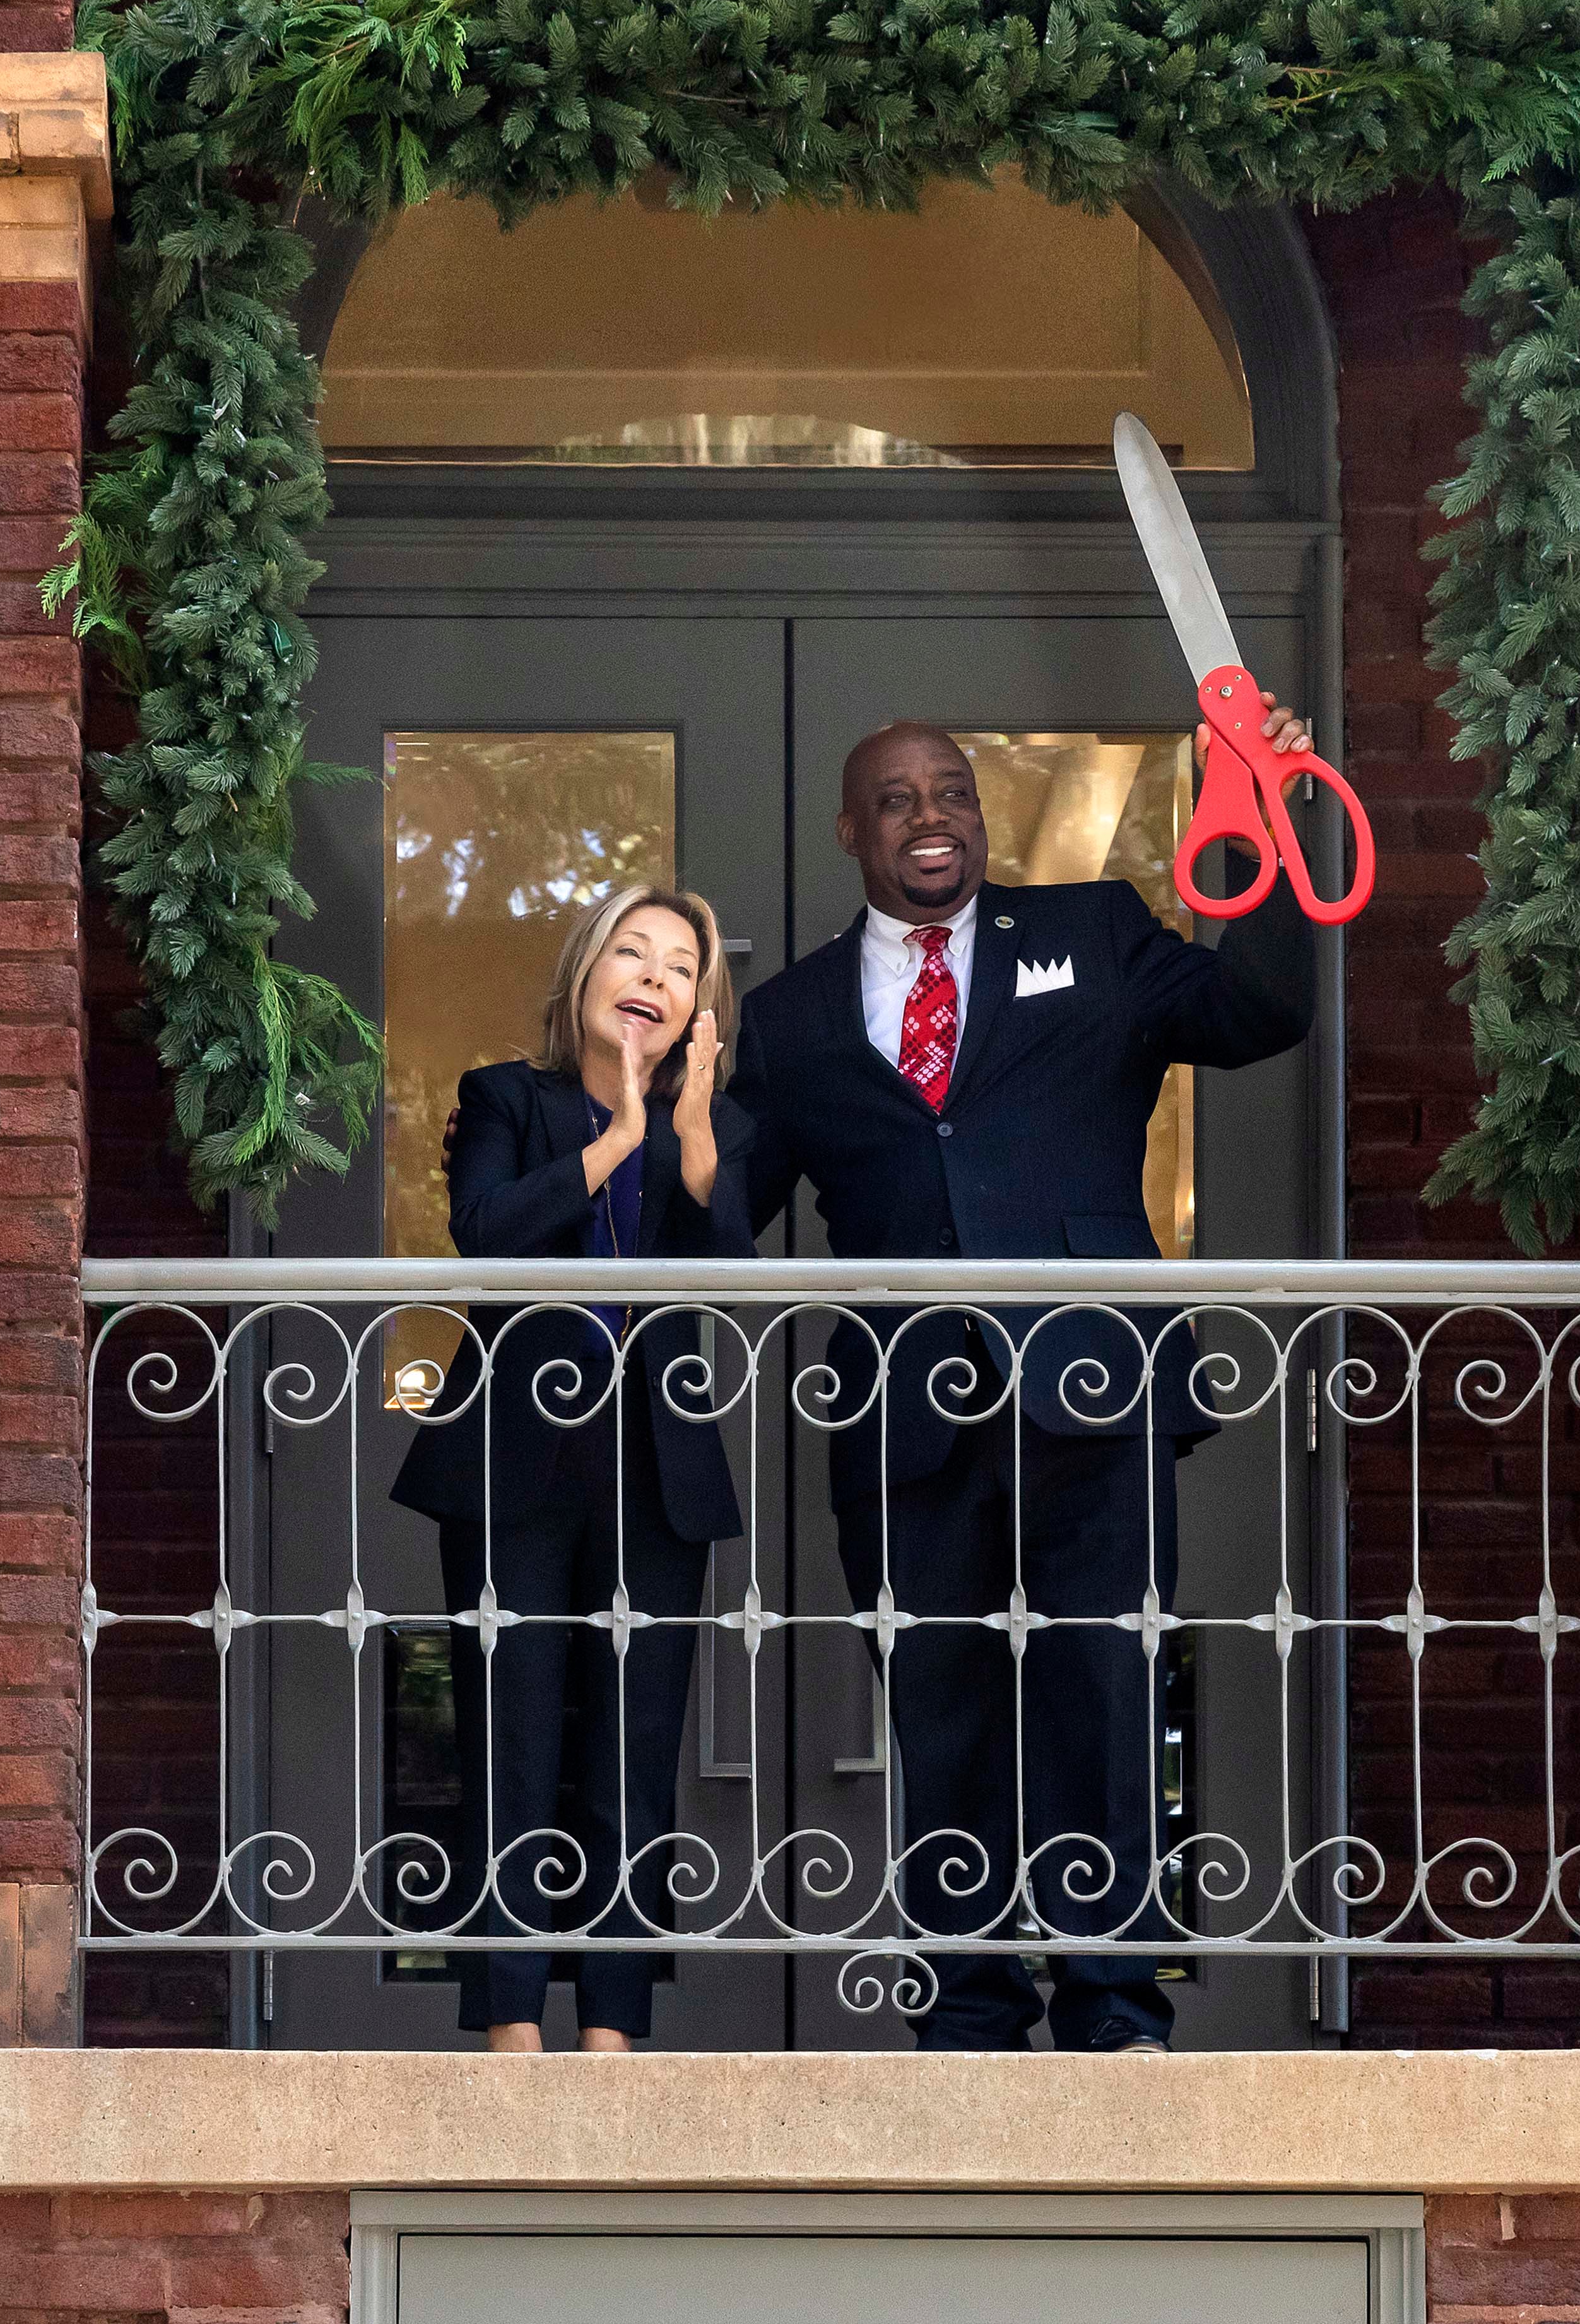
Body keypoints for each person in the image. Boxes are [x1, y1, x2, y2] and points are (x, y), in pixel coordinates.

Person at [731, 714, 1319, 2054]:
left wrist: (1280, 821)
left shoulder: (1094, 932)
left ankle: (1116, 2008)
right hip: (904, 1419)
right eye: (894, 799)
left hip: (1093, 1393)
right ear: (851, 831)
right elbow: (721, 1225)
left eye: (950, 793)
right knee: (940, 1712)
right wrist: (658, 1116)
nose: (929, 816)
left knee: (1102, 1694)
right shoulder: (791, 1019)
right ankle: (970, 2015)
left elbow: (1258, 1010)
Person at [392, 884, 758, 2052]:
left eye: (682, 966)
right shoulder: (508, 1098)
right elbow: (488, 1233)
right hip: (511, 1461)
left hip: (657, 1471)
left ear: (703, 1008)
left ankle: (611, 2029)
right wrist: (617, 1142)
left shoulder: (721, 1133)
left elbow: (730, 1272)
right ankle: (509, 2024)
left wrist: (690, 1134)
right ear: (586, 974)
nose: (654, 976)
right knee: (510, 1739)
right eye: (632, 952)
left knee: (633, 1752)